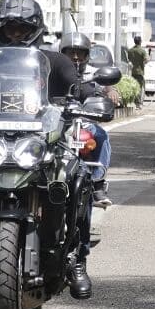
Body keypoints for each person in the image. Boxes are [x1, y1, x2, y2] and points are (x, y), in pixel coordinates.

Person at [0, 0, 100, 298]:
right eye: (9, 29)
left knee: (79, 178)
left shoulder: (56, 62)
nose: (15, 34)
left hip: (42, 144)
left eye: (22, 29)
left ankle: (77, 260)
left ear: (35, 29)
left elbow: (79, 88)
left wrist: (92, 97)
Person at [60, 31, 114, 209]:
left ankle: (98, 184)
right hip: (55, 122)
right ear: (63, 53)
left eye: (80, 53)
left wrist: (110, 92)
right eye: (71, 52)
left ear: (87, 55)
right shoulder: (52, 71)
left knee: (101, 136)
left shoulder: (92, 73)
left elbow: (104, 86)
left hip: (83, 122)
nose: (75, 57)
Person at [127, 33, 147, 108]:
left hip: (132, 71)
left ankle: (135, 102)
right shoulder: (142, 51)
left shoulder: (130, 50)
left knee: (134, 87)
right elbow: (146, 59)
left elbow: (129, 60)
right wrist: (144, 62)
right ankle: (138, 103)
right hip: (140, 72)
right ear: (140, 41)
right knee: (140, 87)